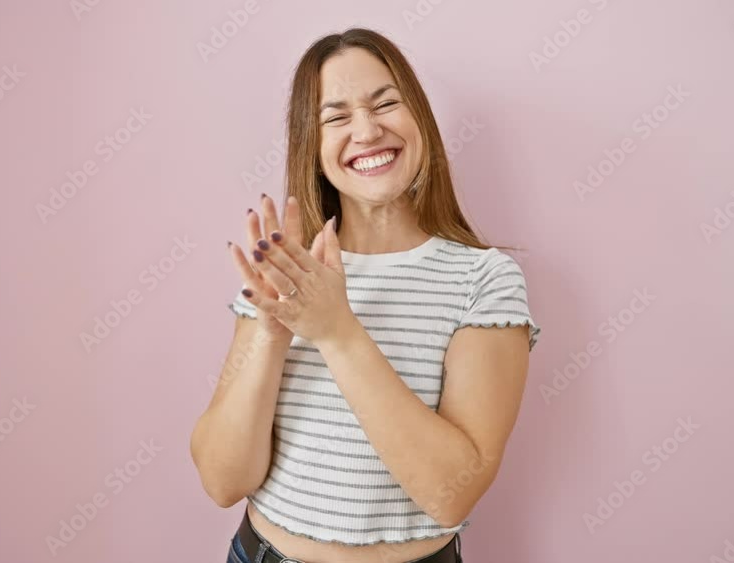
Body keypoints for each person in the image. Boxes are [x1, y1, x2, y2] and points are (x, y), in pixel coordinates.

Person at [190, 27, 541, 563]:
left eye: (386, 104)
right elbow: (221, 481)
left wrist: (337, 331)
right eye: (336, 117)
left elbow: (451, 494)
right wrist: (270, 330)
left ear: (419, 116)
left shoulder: (485, 280)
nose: (368, 130)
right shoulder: (285, 271)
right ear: (314, 145)